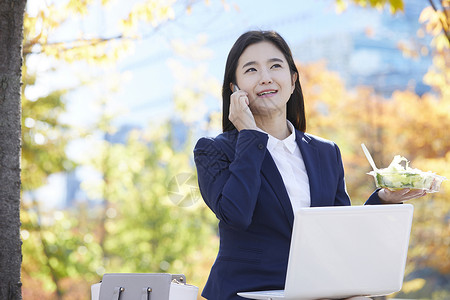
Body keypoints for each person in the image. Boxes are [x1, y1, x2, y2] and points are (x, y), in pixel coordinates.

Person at [193, 30, 426, 300]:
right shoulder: (214, 150)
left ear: (293, 81)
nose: (265, 77)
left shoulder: (326, 152)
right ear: (235, 90)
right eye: (251, 70)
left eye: (275, 66)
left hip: (315, 291)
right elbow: (237, 214)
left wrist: (384, 200)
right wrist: (250, 136)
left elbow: (341, 235)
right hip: (246, 294)